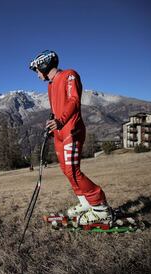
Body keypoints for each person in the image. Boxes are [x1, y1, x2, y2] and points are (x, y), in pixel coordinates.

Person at [29, 50, 112, 225]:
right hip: (59, 132)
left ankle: (100, 207)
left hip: (71, 131)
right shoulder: (51, 85)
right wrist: (53, 123)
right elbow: (56, 109)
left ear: (44, 65)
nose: (37, 75)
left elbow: (74, 100)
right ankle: (85, 203)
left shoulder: (69, 75)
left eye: (37, 70)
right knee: (67, 171)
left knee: (74, 171)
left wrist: (61, 121)